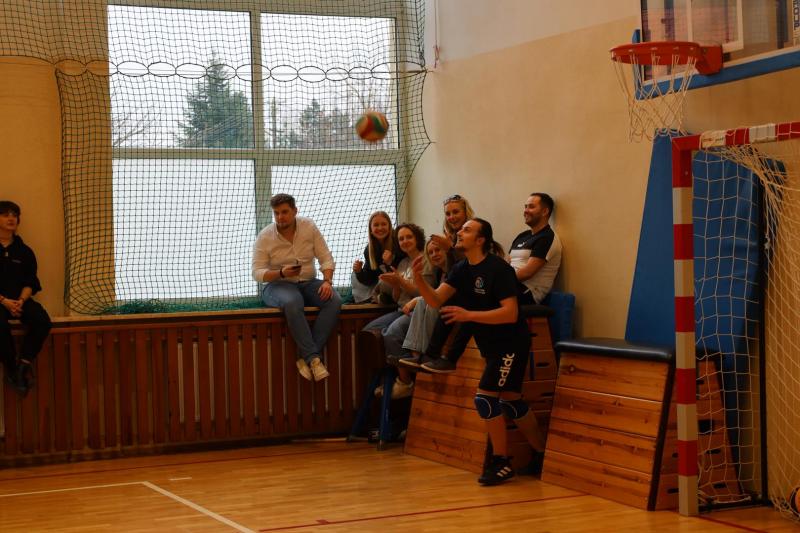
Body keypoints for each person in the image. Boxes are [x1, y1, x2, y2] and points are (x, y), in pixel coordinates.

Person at [411, 217, 546, 485]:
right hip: (491, 345)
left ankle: (501, 462)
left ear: (481, 240)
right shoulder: (461, 269)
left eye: (467, 230)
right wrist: (418, 279)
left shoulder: (498, 269)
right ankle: (542, 454)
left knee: (485, 399)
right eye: (461, 229)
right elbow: (435, 300)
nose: (460, 232)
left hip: (510, 343)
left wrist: (468, 315)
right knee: (510, 401)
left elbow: (510, 313)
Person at [252, 194, 340, 382]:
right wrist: (281, 273)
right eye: (276, 213)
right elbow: (257, 273)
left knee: (334, 300)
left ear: (295, 211)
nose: (280, 217)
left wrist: (327, 281)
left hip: (309, 282)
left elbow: (326, 257)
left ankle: (308, 358)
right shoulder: (265, 236)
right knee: (293, 301)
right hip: (277, 285)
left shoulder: (309, 226)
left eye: (284, 212)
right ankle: (314, 359)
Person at [360, 223, 426, 399]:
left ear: (417, 238)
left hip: (418, 311)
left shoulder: (425, 260)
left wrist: (401, 281)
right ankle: (393, 369)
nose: (405, 241)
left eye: (409, 237)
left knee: (392, 333)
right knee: (370, 331)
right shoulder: (403, 263)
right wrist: (396, 285)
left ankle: (406, 381)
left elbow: (422, 293)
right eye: (401, 239)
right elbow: (398, 297)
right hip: (401, 308)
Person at [0, 200, 52, 396]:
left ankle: (23, 365)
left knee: (42, 320)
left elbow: (30, 282)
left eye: (14, 215)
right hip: (0, 302)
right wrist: (4, 301)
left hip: (20, 300)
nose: (11, 218)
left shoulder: (25, 251)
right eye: (5, 214)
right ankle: (11, 368)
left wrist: (21, 301)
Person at [508, 193, 562, 305]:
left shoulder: (547, 237)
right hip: (510, 285)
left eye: (531, 207)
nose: (525, 211)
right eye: (525, 207)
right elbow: (506, 264)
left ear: (545, 211)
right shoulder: (522, 236)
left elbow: (527, 273)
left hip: (528, 291)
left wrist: (499, 280)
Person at [351, 211, 404, 303]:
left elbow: (404, 269)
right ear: (371, 230)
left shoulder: (398, 242)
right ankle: (373, 298)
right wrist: (359, 271)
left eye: (383, 224)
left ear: (389, 227)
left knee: (383, 281)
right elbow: (369, 279)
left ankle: (382, 298)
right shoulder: (369, 250)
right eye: (376, 225)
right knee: (354, 275)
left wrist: (390, 262)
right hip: (381, 283)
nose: (380, 228)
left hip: (400, 283)